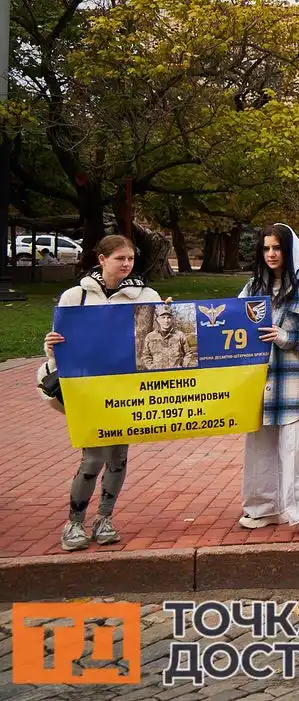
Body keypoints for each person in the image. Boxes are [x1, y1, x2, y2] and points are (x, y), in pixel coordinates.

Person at [39, 235, 163, 552]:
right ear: (101, 258)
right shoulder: (76, 296)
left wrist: (169, 318)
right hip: (88, 389)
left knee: (118, 459)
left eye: (131, 259)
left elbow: (158, 337)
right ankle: (75, 522)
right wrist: (51, 345)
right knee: (93, 458)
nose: (126, 264)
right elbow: (57, 345)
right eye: (120, 258)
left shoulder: (146, 295)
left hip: (126, 388)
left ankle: (104, 518)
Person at [237, 223, 299, 539]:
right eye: (266, 248)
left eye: (277, 248)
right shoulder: (252, 289)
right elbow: (228, 324)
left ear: (289, 251)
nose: (271, 254)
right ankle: (263, 508)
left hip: (292, 385)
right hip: (257, 383)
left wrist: (287, 337)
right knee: (258, 449)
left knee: (298, 451)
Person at [139, 305, 193, 371]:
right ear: (158, 320)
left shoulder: (180, 335)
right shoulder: (150, 336)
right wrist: (152, 368)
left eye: (169, 317)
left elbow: (189, 353)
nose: (166, 321)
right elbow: (145, 356)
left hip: (176, 374)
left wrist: (183, 366)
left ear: (172, 319)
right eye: (163, 317)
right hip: (158, 375)